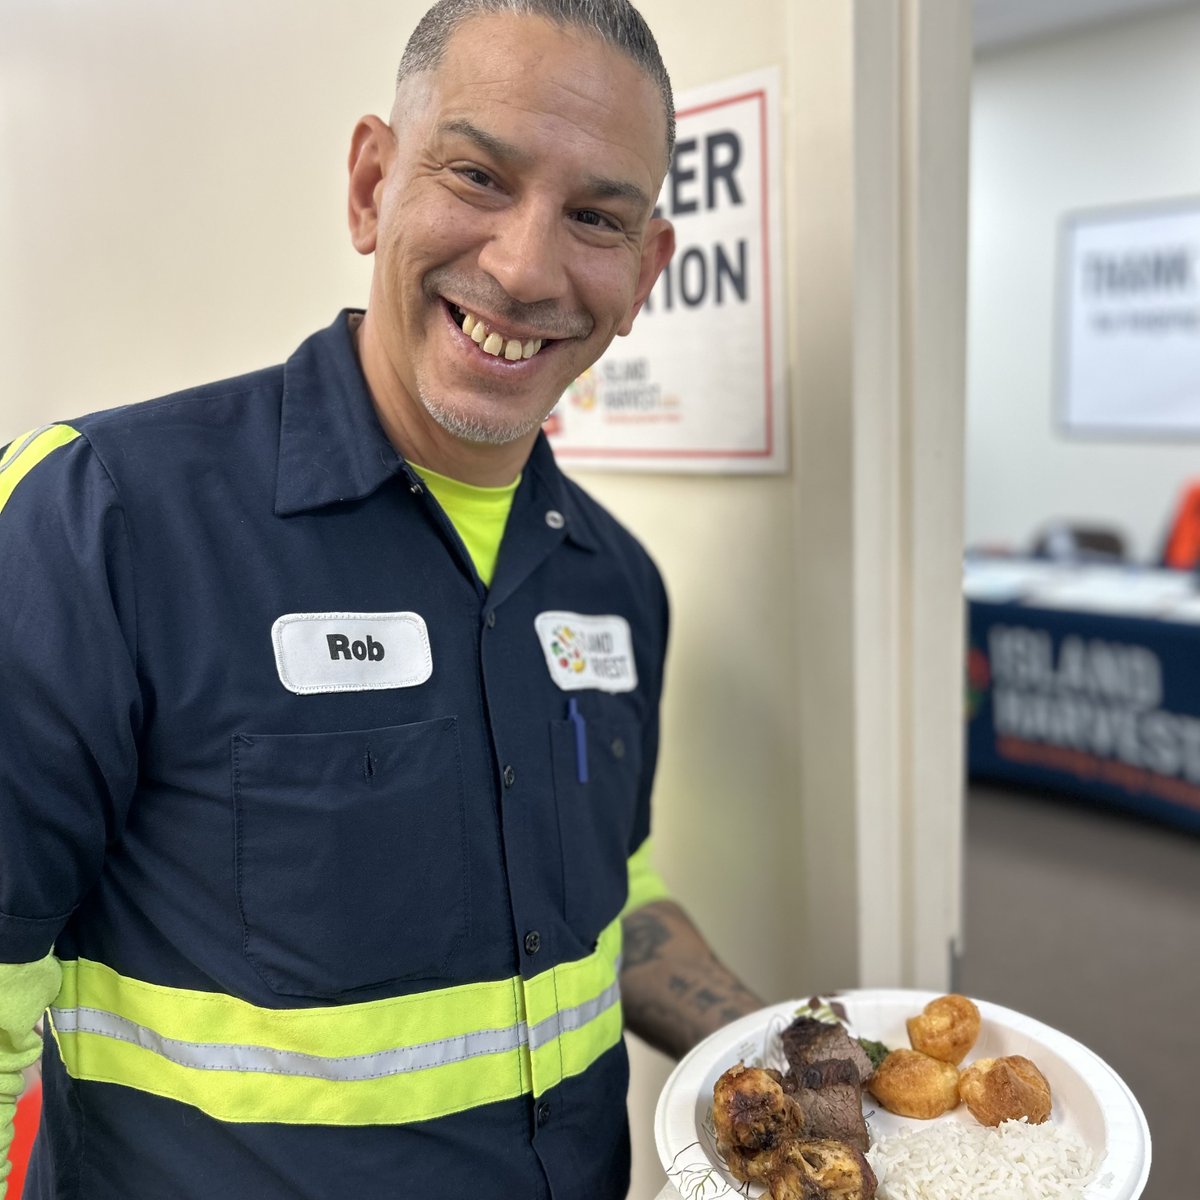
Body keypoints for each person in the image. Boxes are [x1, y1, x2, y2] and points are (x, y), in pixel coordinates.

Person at [0, 2, 764, 1197]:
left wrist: (793, 1055)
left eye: (597, 217)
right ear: (370, 185)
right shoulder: (101, 521)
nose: (523, 267)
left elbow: (619, 890)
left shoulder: (617, 588)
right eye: (478, 175)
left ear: (644, 271)